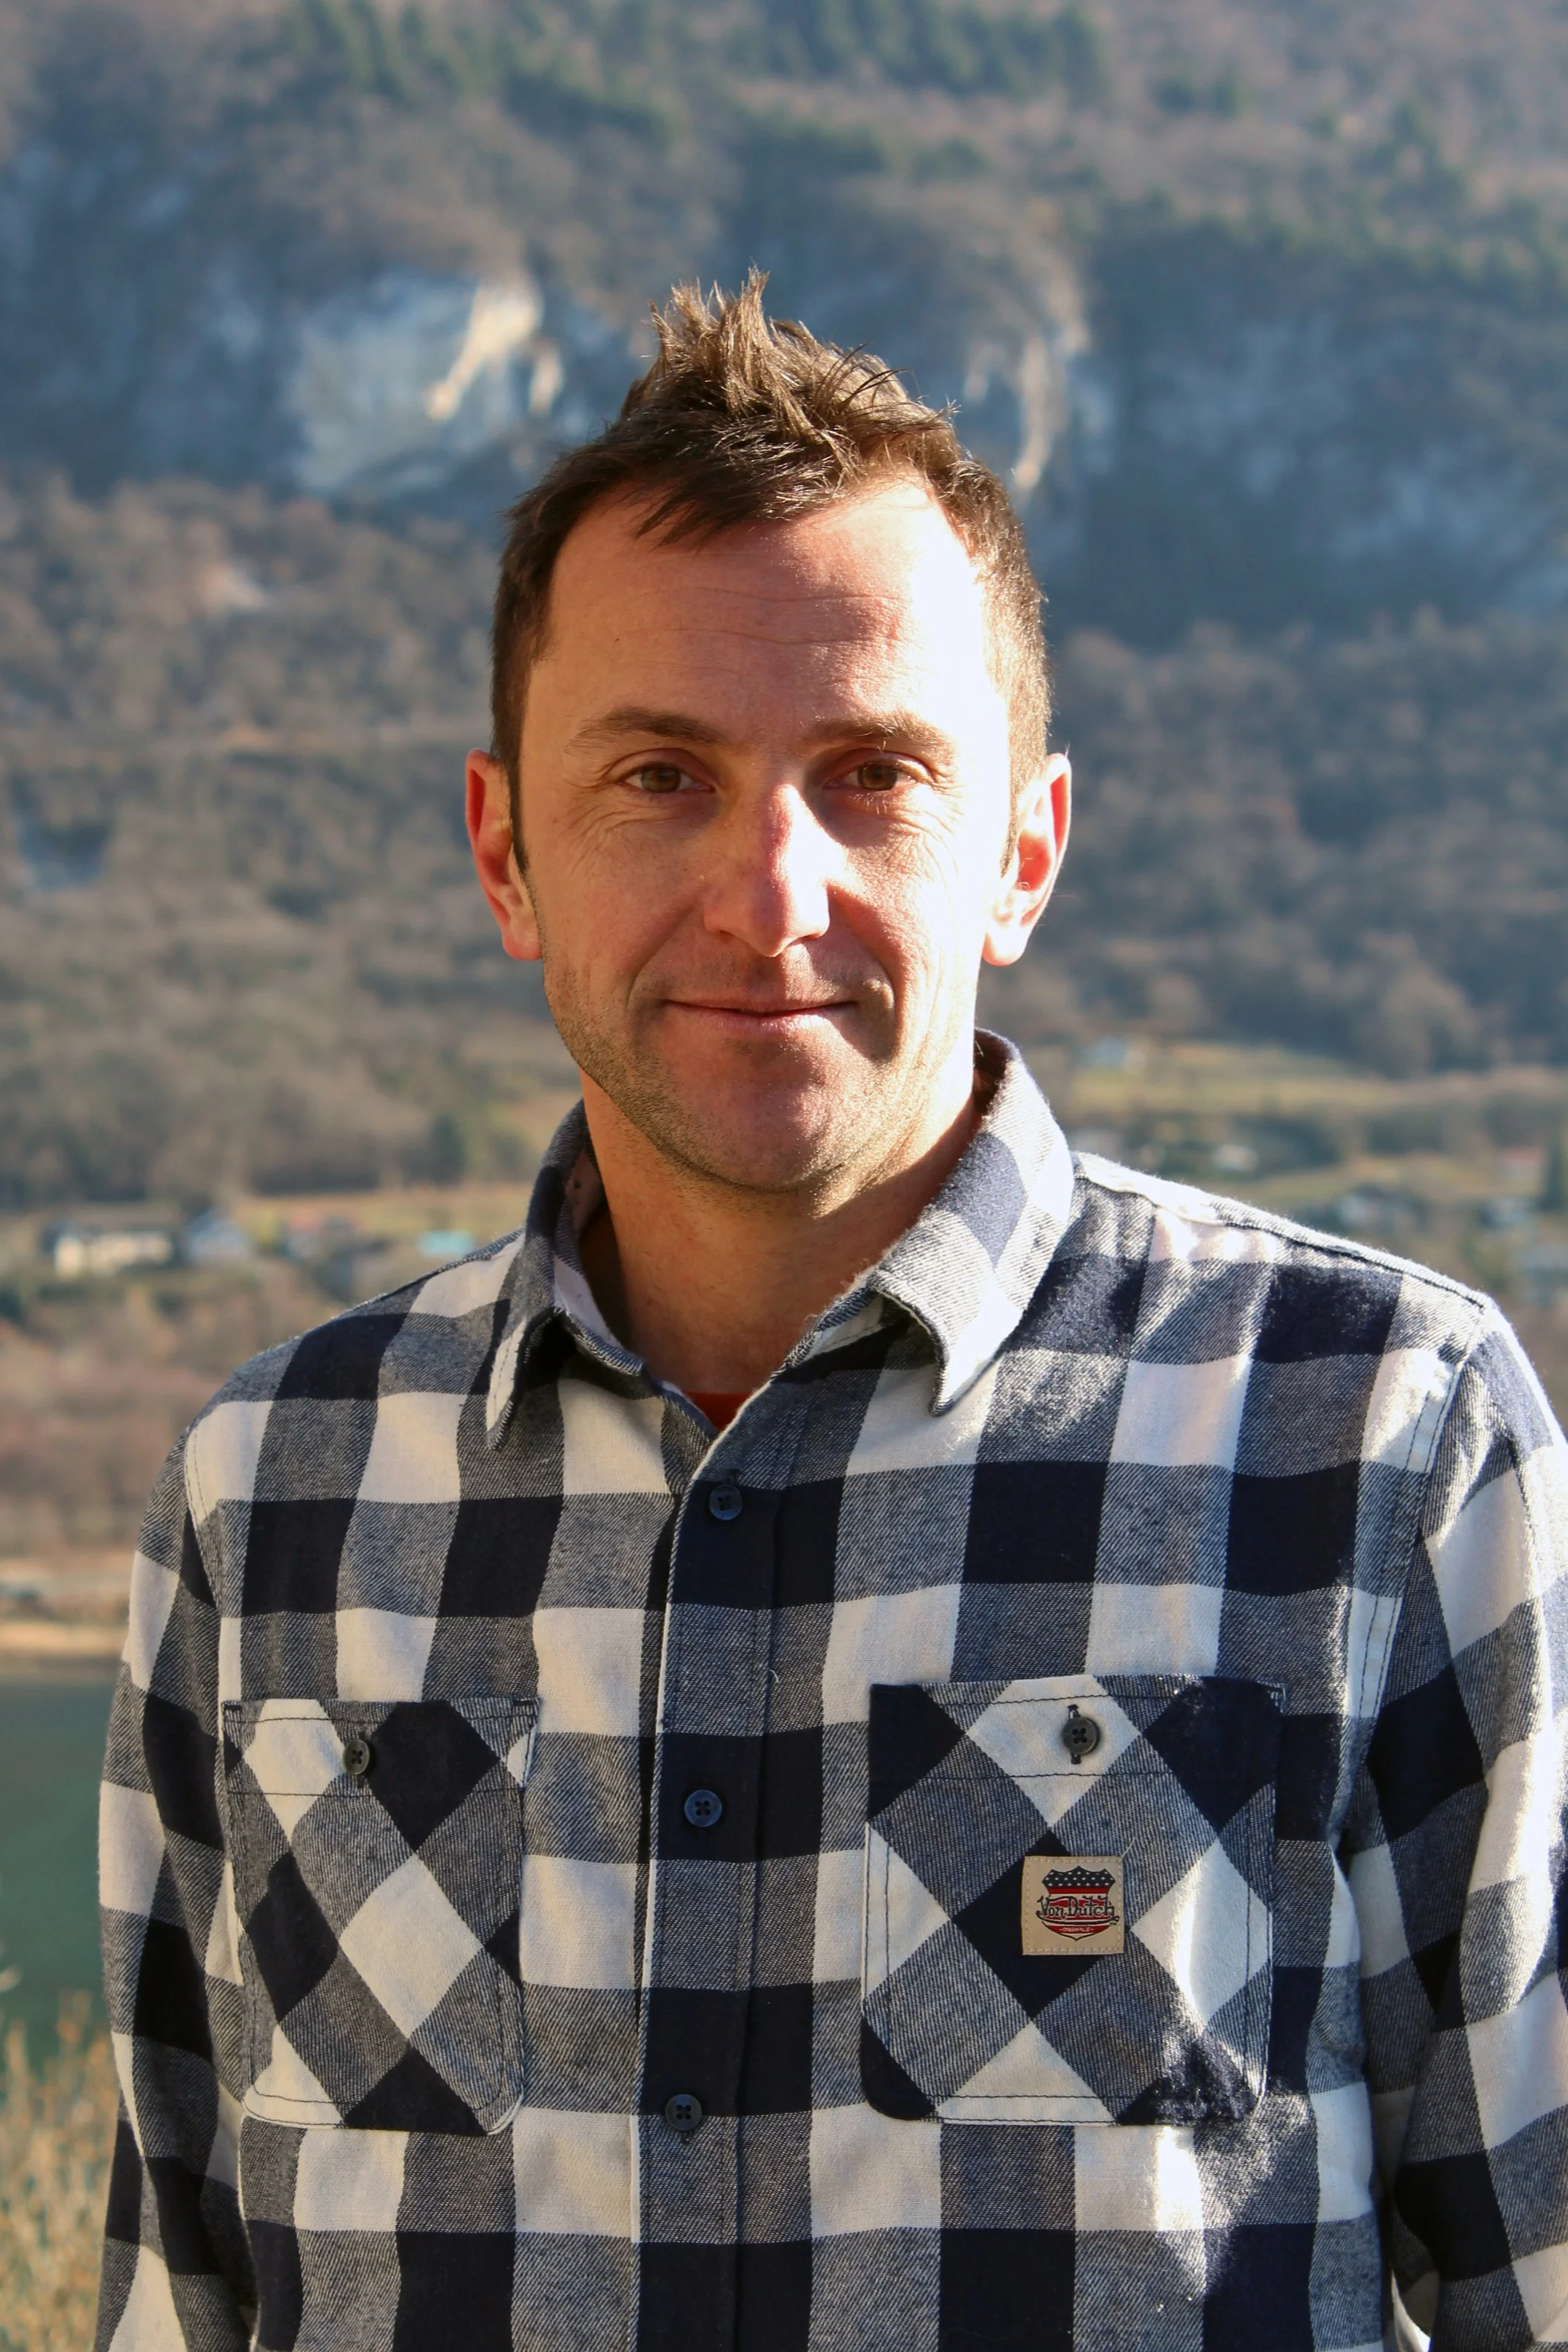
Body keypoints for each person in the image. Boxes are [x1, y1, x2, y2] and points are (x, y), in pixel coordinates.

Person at [96, 276, 1568, 2352]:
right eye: (659, 777)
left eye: (871, 772)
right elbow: (190, 2294)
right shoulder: (274, 1506)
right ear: (505, 854)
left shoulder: (1376, 1445)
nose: (766, 890)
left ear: (1022, 855)